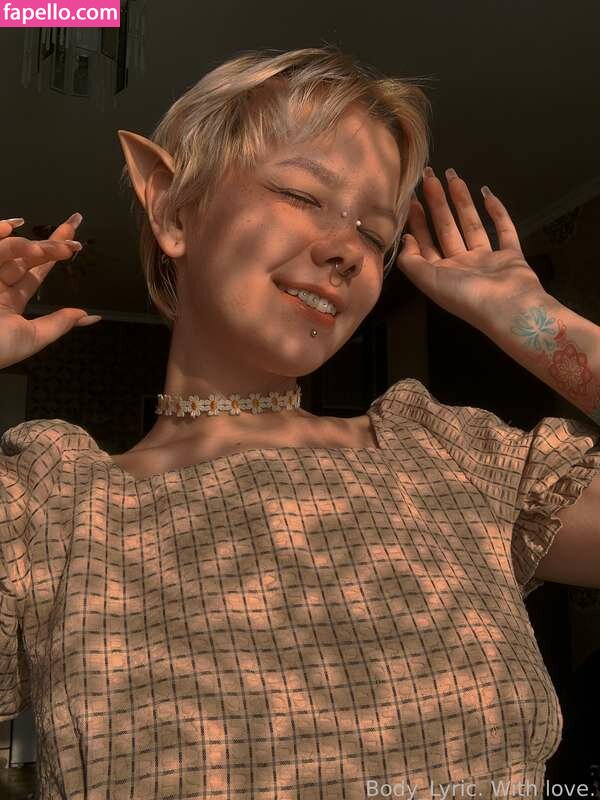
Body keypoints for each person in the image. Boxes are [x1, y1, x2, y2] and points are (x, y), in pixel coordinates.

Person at [1, 46, 599, 800]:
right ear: (175, 209)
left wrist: (531, 319)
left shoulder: (448, 457)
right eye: (301, 194)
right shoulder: (49, 509)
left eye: (375, 235)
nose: (347, 249)